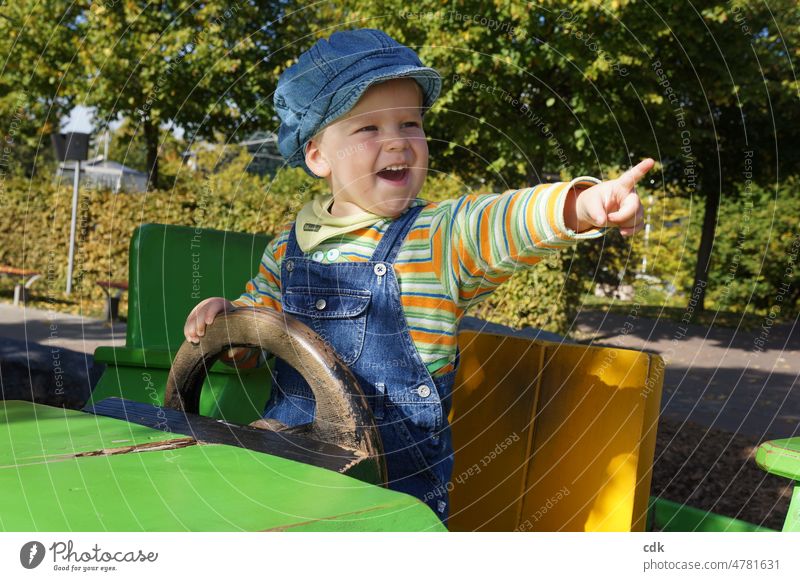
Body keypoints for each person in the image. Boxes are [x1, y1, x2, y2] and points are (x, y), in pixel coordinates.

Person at [183, 28, 653, 526]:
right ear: (318, 154)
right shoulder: (288, 248)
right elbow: (255, 333)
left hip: (395, 503)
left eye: (410, 123)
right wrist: (231, 325)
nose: (397, 143)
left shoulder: (437, 238)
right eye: (368, 129)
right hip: (291, 482)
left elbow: (499, 220)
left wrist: (581, 205)